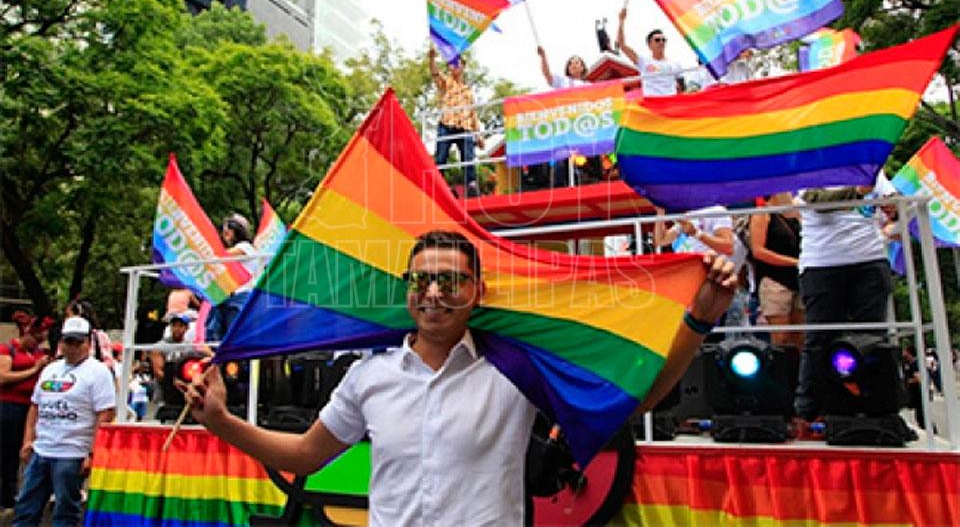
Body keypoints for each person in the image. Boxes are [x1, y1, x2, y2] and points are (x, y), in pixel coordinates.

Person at [184, 230, 738, 525]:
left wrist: (699, 320)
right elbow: (305, 456)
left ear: (477, 293)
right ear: (407, 290)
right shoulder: (367, 376)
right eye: (421, 280)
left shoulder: (516, 369)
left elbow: (633, 401)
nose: (433, 293)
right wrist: (222, 422)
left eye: (450, 281)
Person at [793, 176, 895, 421]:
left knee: (873, 337)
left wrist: (894, 206)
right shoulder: (811, 166)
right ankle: (808, 410)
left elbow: (892, 200)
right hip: (823, 262)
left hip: (869, 258)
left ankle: (877, 406)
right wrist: (857, 191)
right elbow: (816, 200)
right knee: (820, 337)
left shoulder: (870, 168)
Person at [14, 316, 115, 527]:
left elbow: (105, 414)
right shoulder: (51, 369)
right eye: (69, 341)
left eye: (79, 341)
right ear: (61, 342)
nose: (74, 347)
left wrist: (92, 453)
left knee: (65, 511)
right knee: (25, 507)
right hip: (42, 449)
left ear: (88, 342)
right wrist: (28, 440)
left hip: (72, 452)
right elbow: (35, 406)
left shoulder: (99, 372)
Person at [0, 313, 51, 514]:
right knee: (6, 450)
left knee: (23, 450)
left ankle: (14, 493)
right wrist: (34, 369)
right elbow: (3, 377)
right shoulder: (8, 349)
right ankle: (5, 494)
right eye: (36, 338)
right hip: (9, 405)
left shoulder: (38, 352)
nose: (38, 343)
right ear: (26, 333)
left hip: (30, 406)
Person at [750, 193, 803, 348]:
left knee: (801, 335)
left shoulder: (795, 215)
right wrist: (793, 262)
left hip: (798, 278)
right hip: (774, 279)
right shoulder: (762, 214)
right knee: (781, 337)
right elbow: (758, 251)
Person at [428, 46, 483, 197]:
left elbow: (473, 114)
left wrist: (478, 134)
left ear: (463, 66)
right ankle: (437, 186)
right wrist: (432, 58)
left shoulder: (468, 90)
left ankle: (471, 186)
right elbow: (435, 73)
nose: (455, 66)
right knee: (441, 156)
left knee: (468, 157)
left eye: (457, 63)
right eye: (452, 64)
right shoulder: (446, 83)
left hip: (464, 126)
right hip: (447, 124)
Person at [205, 214, 259, 342]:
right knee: (217, 334)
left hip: (240, 296)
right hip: (227, 297)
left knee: (234, 335)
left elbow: (222, 256)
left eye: (228, 232)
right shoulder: (236, 250)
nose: (225, 236)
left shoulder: (245, 247)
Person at [616, 8, 683, 96]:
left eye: (663, 40)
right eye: (657, 40)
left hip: (670, 101)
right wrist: (621, 21)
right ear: (649, 44)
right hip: (652, 101)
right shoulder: (643, 61)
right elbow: (622, 45)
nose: (661, 42)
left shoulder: (675, 64)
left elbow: (682, 88)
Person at [902, 346, 924, 428]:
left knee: (920, 414)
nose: (903, 353)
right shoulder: (909, 364)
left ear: (909, 353)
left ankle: (928, 428)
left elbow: (918, 378)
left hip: (917, 392)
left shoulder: (914, 364)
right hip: (914, 392)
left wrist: (907, 381)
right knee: (919, 413)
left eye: (905, 351)